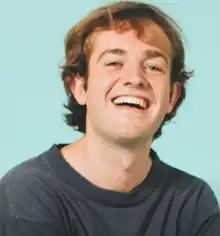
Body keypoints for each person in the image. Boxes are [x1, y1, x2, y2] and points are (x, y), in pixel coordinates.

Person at [0, 1, 219, 235]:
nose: (135, 79)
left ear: (172, 97)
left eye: (153, 67)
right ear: (79, 87)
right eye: (114, 63)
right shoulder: (27, 194)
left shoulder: (192, 201)